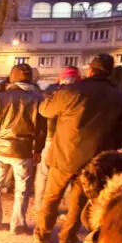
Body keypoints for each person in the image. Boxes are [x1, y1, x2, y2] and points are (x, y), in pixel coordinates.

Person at [34, 54, 122, 243]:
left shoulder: (73, 91)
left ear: (91, 70)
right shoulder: (120, 96)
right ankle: (66, 238)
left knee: (51, 197)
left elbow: (45, 110)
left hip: (64, 155)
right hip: (94, 159)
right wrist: (109, 147)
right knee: (78, 202)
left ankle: (42, 233)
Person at [0, 64, 46, 233]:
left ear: (12, 78)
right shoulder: (38, 99)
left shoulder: (0, 98)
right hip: (23, 151)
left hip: (1, 149)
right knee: (21, 189)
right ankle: (18, 225)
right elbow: (42, 129)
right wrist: (38, 150)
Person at [34, 66, 80, 212]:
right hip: (70, 140)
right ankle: (68, 208)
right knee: (67, 174)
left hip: (50, 136)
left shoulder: (50, 91)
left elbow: (43, 111)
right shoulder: (81, 92)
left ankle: (39, 205)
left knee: (43, 173)